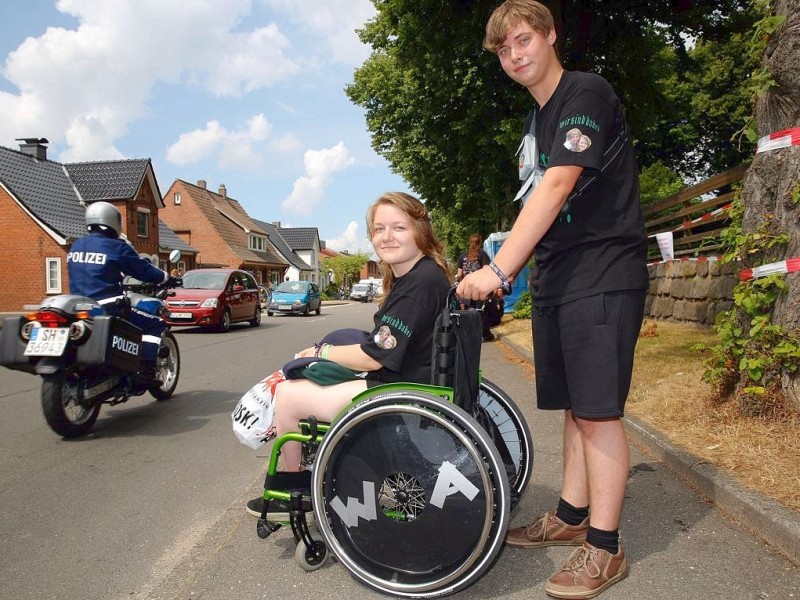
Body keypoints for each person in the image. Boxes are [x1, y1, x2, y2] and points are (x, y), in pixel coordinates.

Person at [457, 2, 649, 598]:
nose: (515, 55)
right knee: (575, 404)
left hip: (603, 270)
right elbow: (536, 201)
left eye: (522, 40)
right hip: (560, 277)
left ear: (549, 35)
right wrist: (509, 262)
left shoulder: (585, 94)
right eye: (504, 50)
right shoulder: (537, 123)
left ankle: (605, 548)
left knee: (598, 410)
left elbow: (561, 182)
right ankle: (569, 516)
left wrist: (498, 268)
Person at [247, 191, 452, 517]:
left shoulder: (418, 283)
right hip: (414, 378)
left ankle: (293, 494)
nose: (386, 237)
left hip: (402, 389)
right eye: (379, 229)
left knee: (287, 396)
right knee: (319, 368)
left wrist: (322, 352)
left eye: (398, 228)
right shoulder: (420, 274)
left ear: (419, 231)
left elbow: (375, 356)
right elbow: (385, 340)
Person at [67, 201, 178, 379]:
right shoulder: (116, 247)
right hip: (107, 307)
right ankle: (147, 369)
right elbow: (143, 270)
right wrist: (166, 278)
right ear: (113, 221)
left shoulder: (77, 246)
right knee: (154, 323)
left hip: (76, 308)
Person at [456, 233, 494, 341]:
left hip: (466, 289)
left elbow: (459, 274)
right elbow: (487, 270)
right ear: (480, 243)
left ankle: (469, 336)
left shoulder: (462, 256)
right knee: (481, 311)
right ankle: (485, 335)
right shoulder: (482, 254)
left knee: (467, 312)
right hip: (479, 288)